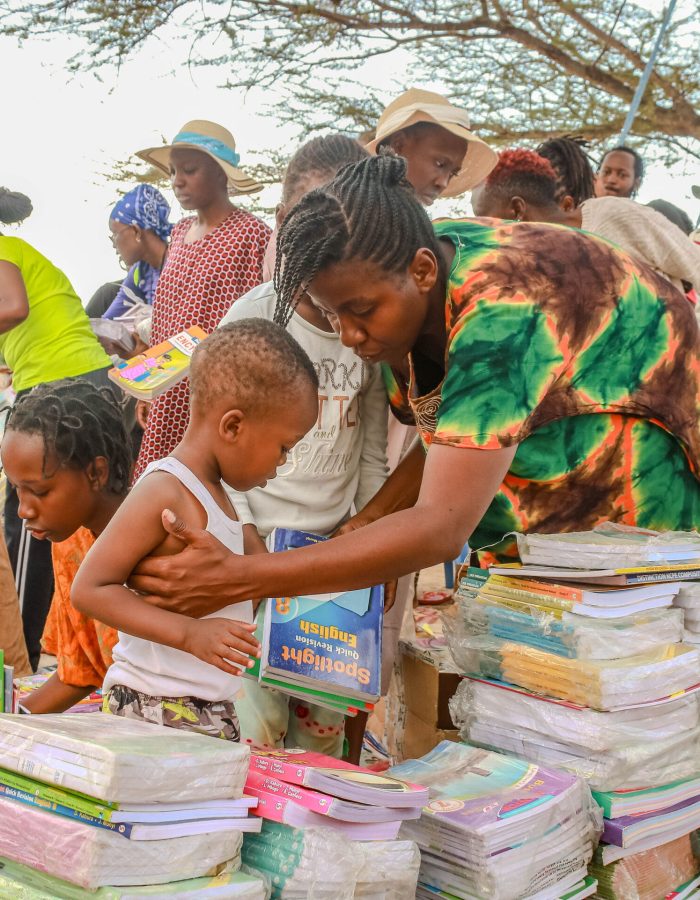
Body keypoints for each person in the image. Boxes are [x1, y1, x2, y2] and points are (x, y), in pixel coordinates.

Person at [128, 153, 699, 618]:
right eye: (333, 317)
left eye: (361, 312)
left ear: (423, 272)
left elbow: (441, 527)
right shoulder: (400, 262)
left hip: (638, 492)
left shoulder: (503, 313)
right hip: (552, 491)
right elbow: (452, 440)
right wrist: (364, 528)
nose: (349, 336)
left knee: (597, 673)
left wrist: (243, 578)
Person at [222, 134, 389, 757]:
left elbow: (372, 447)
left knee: (319, 743)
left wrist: (368, 546)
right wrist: (244, 535)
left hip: (334, 566)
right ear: (281, 221)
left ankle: (307, 852)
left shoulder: (365, 327)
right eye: (302, 219)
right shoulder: (257, 317)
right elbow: (216, 435)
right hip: (257, 556)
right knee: (252, 737)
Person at [72, 321, 318, 739]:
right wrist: (189, 634)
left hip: (209, 709)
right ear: (233, 426)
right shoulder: (166, 489)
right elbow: (90, 589)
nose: (281, 465)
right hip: (154, 707)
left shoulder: (220, 497)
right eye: (284, 448)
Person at [0, 202, 113, 669]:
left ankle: (18, 665)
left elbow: (12, 307)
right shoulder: (19, 252)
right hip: (84, 378)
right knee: (84, 519)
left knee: (28, 518)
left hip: (60, 385)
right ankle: (83, 653)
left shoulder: (3, 249)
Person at [131, 120, 271, 481]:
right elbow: (164, 315)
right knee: (159, 490)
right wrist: (147, 388)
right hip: (167, 389)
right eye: (174, 171)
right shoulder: (177, 234)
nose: (178, 180)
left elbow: (260, 321)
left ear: (222, 175)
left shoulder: (252, 235)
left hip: (218, 394)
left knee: (207, 492)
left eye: (190, 170)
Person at [0, 380, 131, 712]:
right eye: (16, 491)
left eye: (40, 492)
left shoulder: (159, 538)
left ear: (96, 472)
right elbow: (80, 671)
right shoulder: (72, 544)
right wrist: (14, 726)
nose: (23, 510)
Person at [471, 148, 700, 297]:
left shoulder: (613, 216)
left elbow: (694, 264)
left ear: (518, 209)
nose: (488, 230)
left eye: (488, 219)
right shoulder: (537, 266)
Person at [366, 88, 497, 206]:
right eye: (440, 164)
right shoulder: (356, 218)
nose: (443, 183)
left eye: (453, 173)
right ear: (398, 145)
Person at [104, 183, 173, 321]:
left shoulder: (180, 264)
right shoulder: (141, 271)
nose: (114, 244)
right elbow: (108, 321)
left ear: (136, 231)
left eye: (115, 234)